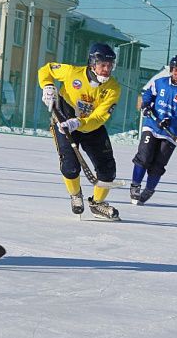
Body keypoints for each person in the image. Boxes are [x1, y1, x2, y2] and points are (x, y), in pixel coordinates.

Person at [37, 43, 122, 221]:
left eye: (110, 65)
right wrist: (48, 86)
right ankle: (75, 195)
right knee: (70, 166)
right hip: (63, 120)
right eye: (103, 65)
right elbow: (46, 70)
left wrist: (79, 122)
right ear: (92, 63)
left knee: (108, 170)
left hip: (91, 126)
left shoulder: (113, 88)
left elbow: (99, 117)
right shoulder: (72, 73)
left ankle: (98, 203)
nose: (107, 69)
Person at [130, 55, 177, 205]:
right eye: (176, 70)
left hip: (170, 132)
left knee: (158, 164)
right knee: (144, 156)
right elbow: (147, 95)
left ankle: (149, 190)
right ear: (171, 69)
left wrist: (170, 121)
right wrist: (146, 106)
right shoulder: (159, 83)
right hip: (152, 126)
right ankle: (135, 186)